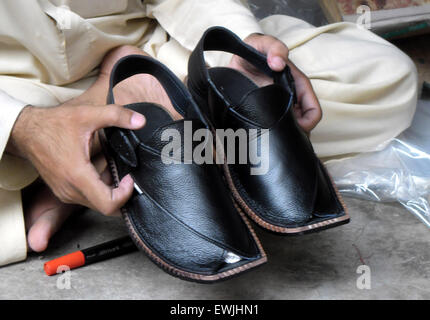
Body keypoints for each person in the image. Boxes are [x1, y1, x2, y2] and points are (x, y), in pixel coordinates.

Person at [0, 0, 418, 266]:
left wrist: (241, 44)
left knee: (386, 75)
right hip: (20, 89)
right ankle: (106, 127)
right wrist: (22, 127)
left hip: (156, 52)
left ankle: (120, 140)